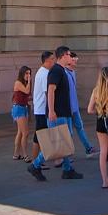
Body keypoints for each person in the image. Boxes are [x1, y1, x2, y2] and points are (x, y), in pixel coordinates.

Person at [28, 46, 84, 181]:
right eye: (70, 55)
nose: (71, 58)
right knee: (57, 141)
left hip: (64, 112)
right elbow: (51, 90)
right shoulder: (56, 71)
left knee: (65, 140)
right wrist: (52, 110)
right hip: (58, 113)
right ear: (64, 55)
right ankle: (36, 165)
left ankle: (67, 169)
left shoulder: (61, 70)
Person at [11, 65, 33, 160]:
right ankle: (25, 155)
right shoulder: (18, 83)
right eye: (26, 73)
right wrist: (29, 82)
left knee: (20, 132)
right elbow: (27, 91)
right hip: (18, 109)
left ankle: (16, 154)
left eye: (29, 74)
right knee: (25, 133)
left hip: (24, 108)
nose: (28, 75)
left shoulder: (24, 83)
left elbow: (26, 96)